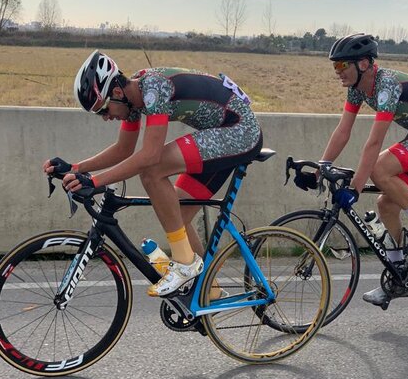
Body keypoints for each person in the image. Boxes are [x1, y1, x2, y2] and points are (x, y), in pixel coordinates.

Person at [43, 50, 263, 297]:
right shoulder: (134, 96)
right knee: (176, 212)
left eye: (103, 110)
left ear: (116, 93)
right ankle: (208, 290)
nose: (106, 118)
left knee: (152, 170)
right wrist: (76, 168)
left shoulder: (153, 90)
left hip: (239, 132)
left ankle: (184, 263)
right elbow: (123, 149)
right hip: (220, 132)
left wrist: (94, 181)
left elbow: (149, 156)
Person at [317, 33, 408, 306]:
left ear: (363, 64)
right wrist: (320, 167)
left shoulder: (386, 85)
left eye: (341, 66)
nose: (337, 72)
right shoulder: (358, 88)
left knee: (380, 169)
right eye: (334, 66)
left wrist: (354, 188)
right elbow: (343, 130)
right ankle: (398, 278)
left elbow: (374, 143)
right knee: (385, 203)